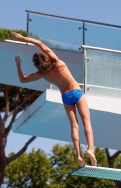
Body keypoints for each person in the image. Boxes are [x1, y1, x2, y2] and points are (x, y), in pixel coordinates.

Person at [12, 32, 97, 167]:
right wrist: (22, 38)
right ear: (47, 56)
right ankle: (91, 149)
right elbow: (40, 44)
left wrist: (18, 65)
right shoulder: (58, 63)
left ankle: (79, 156)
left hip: (66, 97)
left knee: (74, 125)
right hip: (76, 92)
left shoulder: (41, 74)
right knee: (86, 121)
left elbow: (23, 80)